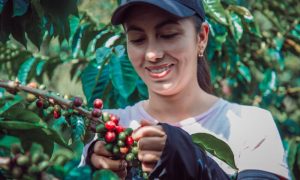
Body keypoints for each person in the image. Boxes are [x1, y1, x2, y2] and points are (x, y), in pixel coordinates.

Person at [80, 0, 290, 179]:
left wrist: (192, 160)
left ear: (201, 38)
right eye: (137, 39)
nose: (152, 54)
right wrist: (91, 169)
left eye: (169, 34)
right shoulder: (108, 127)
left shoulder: (252, 126)